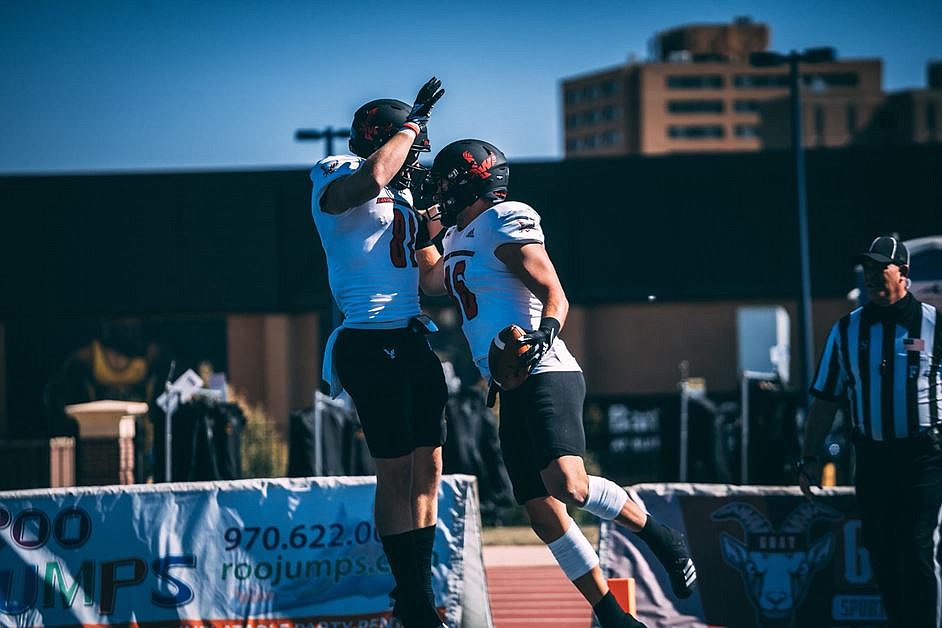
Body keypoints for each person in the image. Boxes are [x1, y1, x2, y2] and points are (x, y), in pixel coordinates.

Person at [419, 139, 697, 628]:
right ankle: (611, 615)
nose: (440, 193)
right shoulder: (462, 236)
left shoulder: (506, 218)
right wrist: (425, 230)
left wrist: (546, 330)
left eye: (445, 183)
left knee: (568, 484)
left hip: (545, 370)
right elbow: (432, 282)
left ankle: (661, 537)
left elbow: (551, 288)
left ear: (471, 180)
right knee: (543, 513)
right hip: (508, 384)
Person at [309, 78, 448, 627]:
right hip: (368, 337)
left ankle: (418, 586)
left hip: (412, 336)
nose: (416, 155)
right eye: (409, 142)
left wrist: (460, 237)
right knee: (394, 470)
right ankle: (411, 595)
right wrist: (413, 125)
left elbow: (432, 278)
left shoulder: (408, 195)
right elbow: (370, 178)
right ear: (385, 136)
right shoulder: (334, 170)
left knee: (429, 465)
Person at [799, 235, 942, 628]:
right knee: (882, 551)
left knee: (917, 548)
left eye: (882, 269)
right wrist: (809, 457)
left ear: (905, 274)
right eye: (868, 270)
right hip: (874, 459)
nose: (874, 277)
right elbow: (825, 399)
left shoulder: (935, 324)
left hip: (923, 457)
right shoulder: (847, 330)